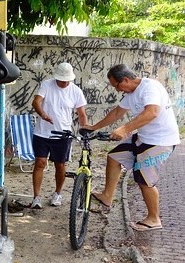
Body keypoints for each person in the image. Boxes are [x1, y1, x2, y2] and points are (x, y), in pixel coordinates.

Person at [83, 64, 180, 231]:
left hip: (161, 142)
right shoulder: (131, 92)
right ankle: (107, 196)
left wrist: (125, 129)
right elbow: (117, 113)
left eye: (117, 85)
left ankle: (154, 219)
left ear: (126, 80)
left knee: (143, 179)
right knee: (113, 157)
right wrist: (94, 127)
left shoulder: (150, 88)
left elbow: (152, 112)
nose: (117, 90)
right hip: (143, 138)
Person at [30, 62, 88, 209]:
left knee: (60, 165)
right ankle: (36, 196)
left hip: (63, 134)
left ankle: (57, 193)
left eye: (66, 80)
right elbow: (36, 102)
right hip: (42, 132)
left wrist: (85, 130)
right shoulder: (47, 84)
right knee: (40, 163)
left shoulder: (76, 91)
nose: (63, 82)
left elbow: (82, 113)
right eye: (61, 79)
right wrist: (42, 114)